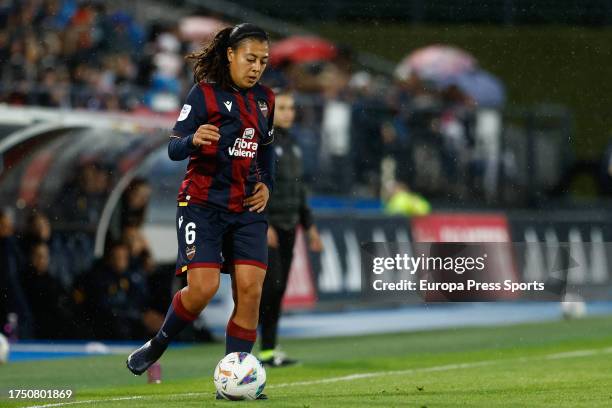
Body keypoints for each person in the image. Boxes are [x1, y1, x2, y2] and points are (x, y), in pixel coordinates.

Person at [126, 23, 275, 399]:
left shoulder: (265, 100)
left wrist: (267, 185)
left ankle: (235, 381)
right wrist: (194, 139)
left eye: (264, 61)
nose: (257, 67)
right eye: (250, 58)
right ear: (230, 55)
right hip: (203, 206)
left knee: (251, 290)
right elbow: (175, 147)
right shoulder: (205, 95)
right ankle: (158, 344)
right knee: (202, 289)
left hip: (246, 208)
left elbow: (267, 148)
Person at [258, 89, 322, 366]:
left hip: (289, 226)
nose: (288, 113)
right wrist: (263, 223)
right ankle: (244, 350)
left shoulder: (294, 144)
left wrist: (310, 227)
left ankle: (269, 351)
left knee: (279, 288)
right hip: (267, 227)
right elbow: (255, 184)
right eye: (282, 108)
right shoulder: (263, 142)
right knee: (269, 287)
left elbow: (299, 190)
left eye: (291, 108)